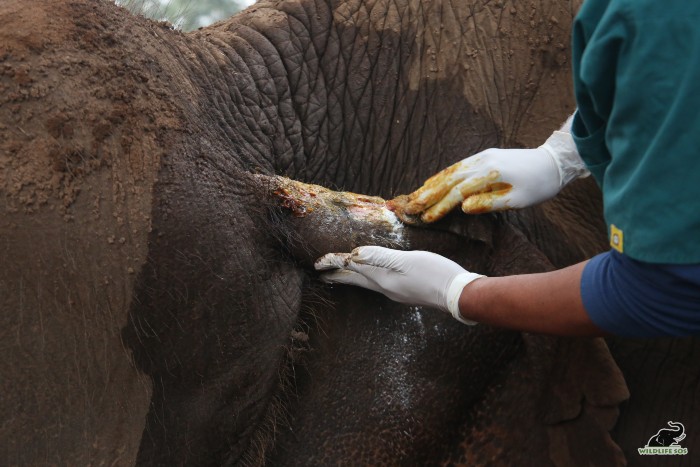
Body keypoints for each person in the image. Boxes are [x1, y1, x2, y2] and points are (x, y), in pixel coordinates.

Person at [314, 0, 700, 337]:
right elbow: (660, 84)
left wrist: (460, 292)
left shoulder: (657, 16)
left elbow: (665, 290)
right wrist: (564, 154)